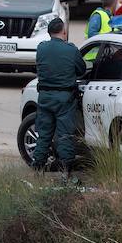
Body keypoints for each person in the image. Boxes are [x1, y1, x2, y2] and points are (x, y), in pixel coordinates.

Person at [32, 18, 84, 176]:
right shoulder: (71, 49)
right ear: (64, 31)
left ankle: (38, 168)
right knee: (65, 134)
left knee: (44, 134)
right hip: (64, 98)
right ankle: (65, 172)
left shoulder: (41, 48)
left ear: (49, 32)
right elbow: (81, 70)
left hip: (45, 97)